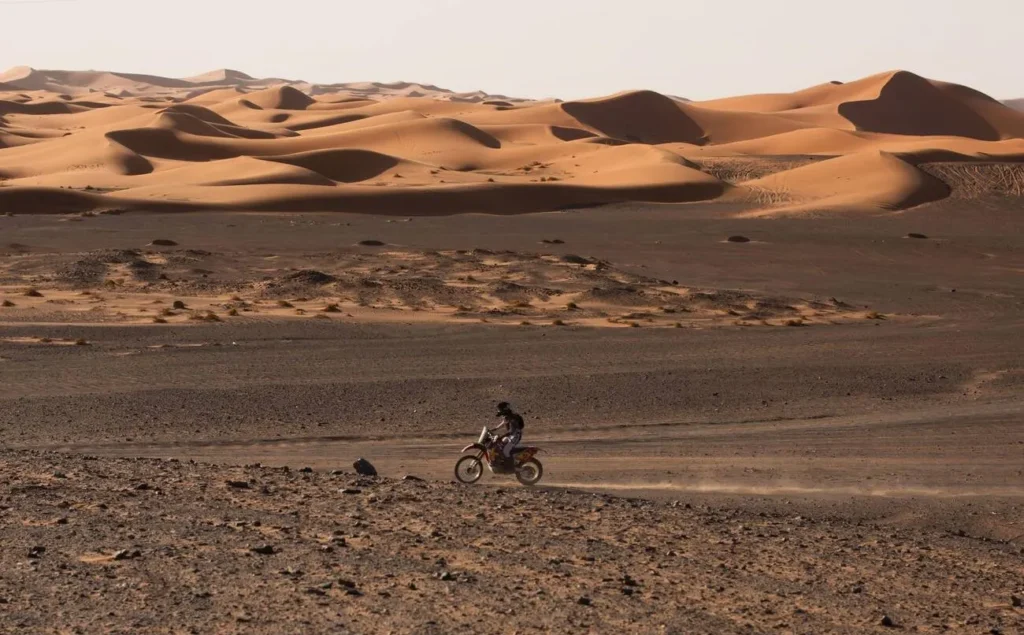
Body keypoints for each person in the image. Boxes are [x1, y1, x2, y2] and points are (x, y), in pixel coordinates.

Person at [492, 401, 524, 467]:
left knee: (506, 450)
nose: (501, 414)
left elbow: (511, 431)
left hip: (515, 436)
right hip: (511, 435)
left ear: (504, 410)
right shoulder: (507, 417)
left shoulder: (513, 418)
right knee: (500, 444)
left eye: (501, 411)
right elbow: (503, 423)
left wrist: (501, 436)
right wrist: (494, 429)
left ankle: (510, 466)